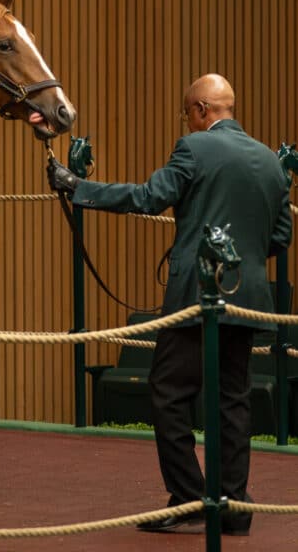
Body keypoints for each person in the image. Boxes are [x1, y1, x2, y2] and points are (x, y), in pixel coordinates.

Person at [47, 73, 292, 535]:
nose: (188, 122)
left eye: (188, 114)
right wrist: (239, 264)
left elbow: (148, 197)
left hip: (195, 298)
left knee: (167, 392)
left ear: (200, 111)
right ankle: (234, 506)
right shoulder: (270, 162)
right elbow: (280, 236)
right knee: (233, 402)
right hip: (248, 300)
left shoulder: (193, 149)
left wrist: (77, 186)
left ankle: (188, 496)